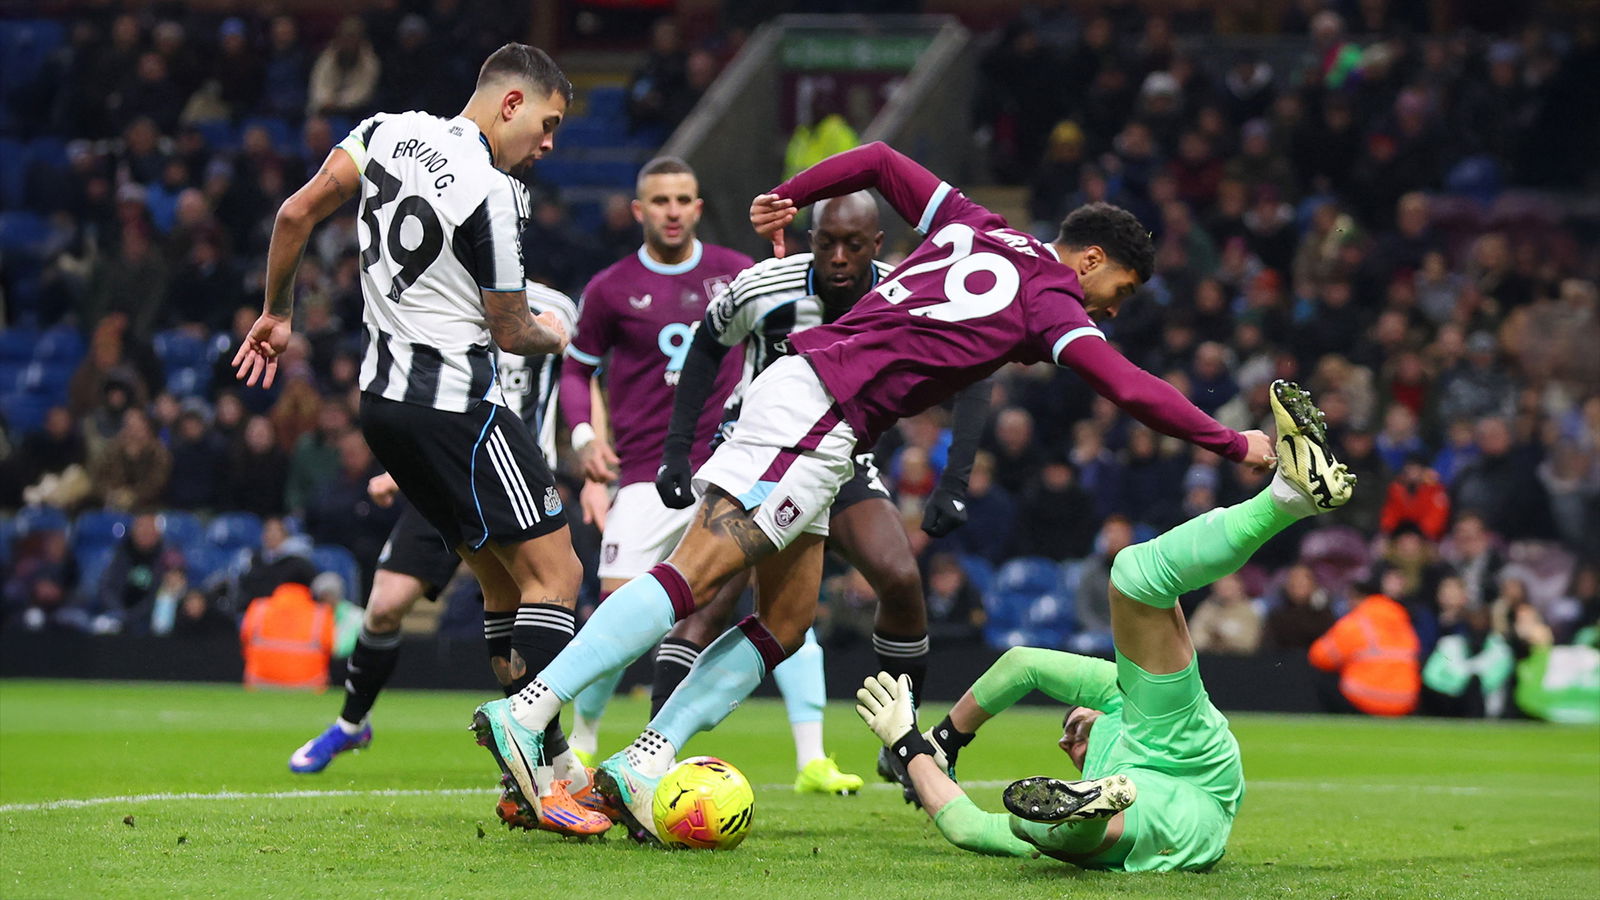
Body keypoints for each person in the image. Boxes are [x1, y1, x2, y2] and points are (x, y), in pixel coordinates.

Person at [472, 140, 1273, 843]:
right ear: (1091, 259)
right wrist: (1234, 441)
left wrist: (800, 188)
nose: (1111, 309)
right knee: (696, 574)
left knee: (784, 620)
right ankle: (531, 709)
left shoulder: (976, 223)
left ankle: (643, 759)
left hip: (823, 411)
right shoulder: (1051, 297)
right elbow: (1129, 388)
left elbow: (883, 161)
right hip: (821, 408)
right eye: (1120, 291)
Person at [232, 44, 606, 837]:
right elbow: (509, 329)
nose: (547, 144)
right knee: (558, 574)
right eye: (547, 124)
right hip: (455, 408)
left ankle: (527, 778)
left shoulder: (385, 130)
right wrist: (558, 340)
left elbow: (295, 213)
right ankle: (542, 760)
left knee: (505, 589)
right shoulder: (493, 190)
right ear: (510, 104)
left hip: (383, 409)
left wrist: (277, 310)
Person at [853, 381, 1353, 871]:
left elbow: (1022, 664)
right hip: (1191, 807)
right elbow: (965, 827)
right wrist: (911, 743)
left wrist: (926, 742)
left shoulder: (1115, 698)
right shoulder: (1112, 722)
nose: (1066, 742)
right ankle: (1086, 813)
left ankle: (1287, 498)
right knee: (1056, 828)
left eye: (1069, 726)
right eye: (1070, 740)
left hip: (1168, 737)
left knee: (1135, 576)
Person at [659, 189, 986, 786]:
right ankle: (652, 754)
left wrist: (953, 480)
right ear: (810, 239)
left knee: (901, 577)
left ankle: (900, 741)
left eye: (853, 245)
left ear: (877, 245)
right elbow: (706, 346)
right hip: (758, 462)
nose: (838, 256)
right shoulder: (764, 286)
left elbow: (973, 375)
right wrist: (678, 448)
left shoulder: (908, 290)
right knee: (710, 603)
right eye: (826, 241)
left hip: (843, 464)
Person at [558, 157, 862, 793]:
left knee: (783, 602)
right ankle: (585, 736)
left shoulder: (736, 272)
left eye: (684, 199)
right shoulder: (612, 287)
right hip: (644, 469)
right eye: (660, 200)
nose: (672, 210)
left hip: (738, 460)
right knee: (620, 604)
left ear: (698, 207)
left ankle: (811, 755)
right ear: (640, 210)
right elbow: (575, 368)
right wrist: (587, 443)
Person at [286, 283, 589, 827]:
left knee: (521, 589)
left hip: (511, 466)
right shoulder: (448, 296)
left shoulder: (550, 304)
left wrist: (586, 447)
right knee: (384, 606)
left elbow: (576, 379)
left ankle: (545, 758)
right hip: (451, 467)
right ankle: (354, 725)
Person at [241, 580, 337, 691]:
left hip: (258, 684)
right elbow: (331, 649)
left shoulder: (258, 608)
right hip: (310, 687)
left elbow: (244, 641)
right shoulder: (322, 614)